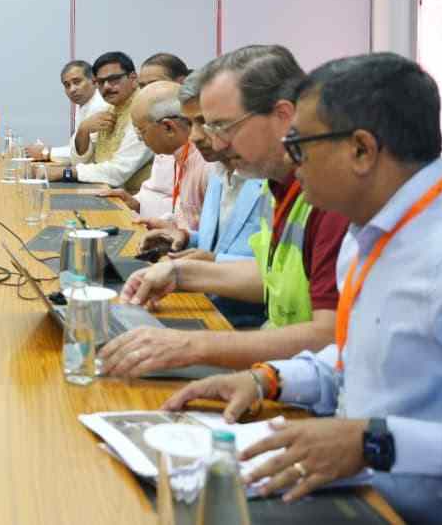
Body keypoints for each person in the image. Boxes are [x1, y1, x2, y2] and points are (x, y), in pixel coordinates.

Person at [162, 53, 442, 524]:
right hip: (357, 496)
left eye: (301, 145)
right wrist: (269, 379)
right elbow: (356, 358)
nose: (291, 161)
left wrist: (372, 442)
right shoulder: (368, 237)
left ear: (361, 150)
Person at [99, 44, 350, 377]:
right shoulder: (280, 185)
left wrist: (193, 347)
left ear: (284, 117)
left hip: (294, 375)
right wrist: (178, 274)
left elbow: (329, 336)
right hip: (282, 371)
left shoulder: (330, 195)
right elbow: (271, 276)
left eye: (222, 127)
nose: (212, 143)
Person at [140, 67, 268, 327]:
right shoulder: (220, 169)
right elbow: (223, 243)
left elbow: (280, 273)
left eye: (209, 123)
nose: (195, 136)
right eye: (193, 123)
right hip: (206, 306)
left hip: (244, 326)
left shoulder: (271, 178)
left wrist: (211, 263)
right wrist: (187, 238)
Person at [98, 81, 208, 226]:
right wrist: (136, 204)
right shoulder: (175, 153)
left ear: (168, 127)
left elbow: (205, 231)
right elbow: (182, 215)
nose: (140, 138)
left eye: (141, 131)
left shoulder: (206, 161)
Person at [47, 51, 153, 192]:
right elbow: (81, 162)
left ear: (133, 78)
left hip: (135, 201)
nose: (107, 87)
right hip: (107, 192)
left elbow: (118, 172)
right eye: (101, 82)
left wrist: (65, 173)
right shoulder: (109, 109)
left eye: (114, 79)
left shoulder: (143, 110)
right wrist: (83, 130)